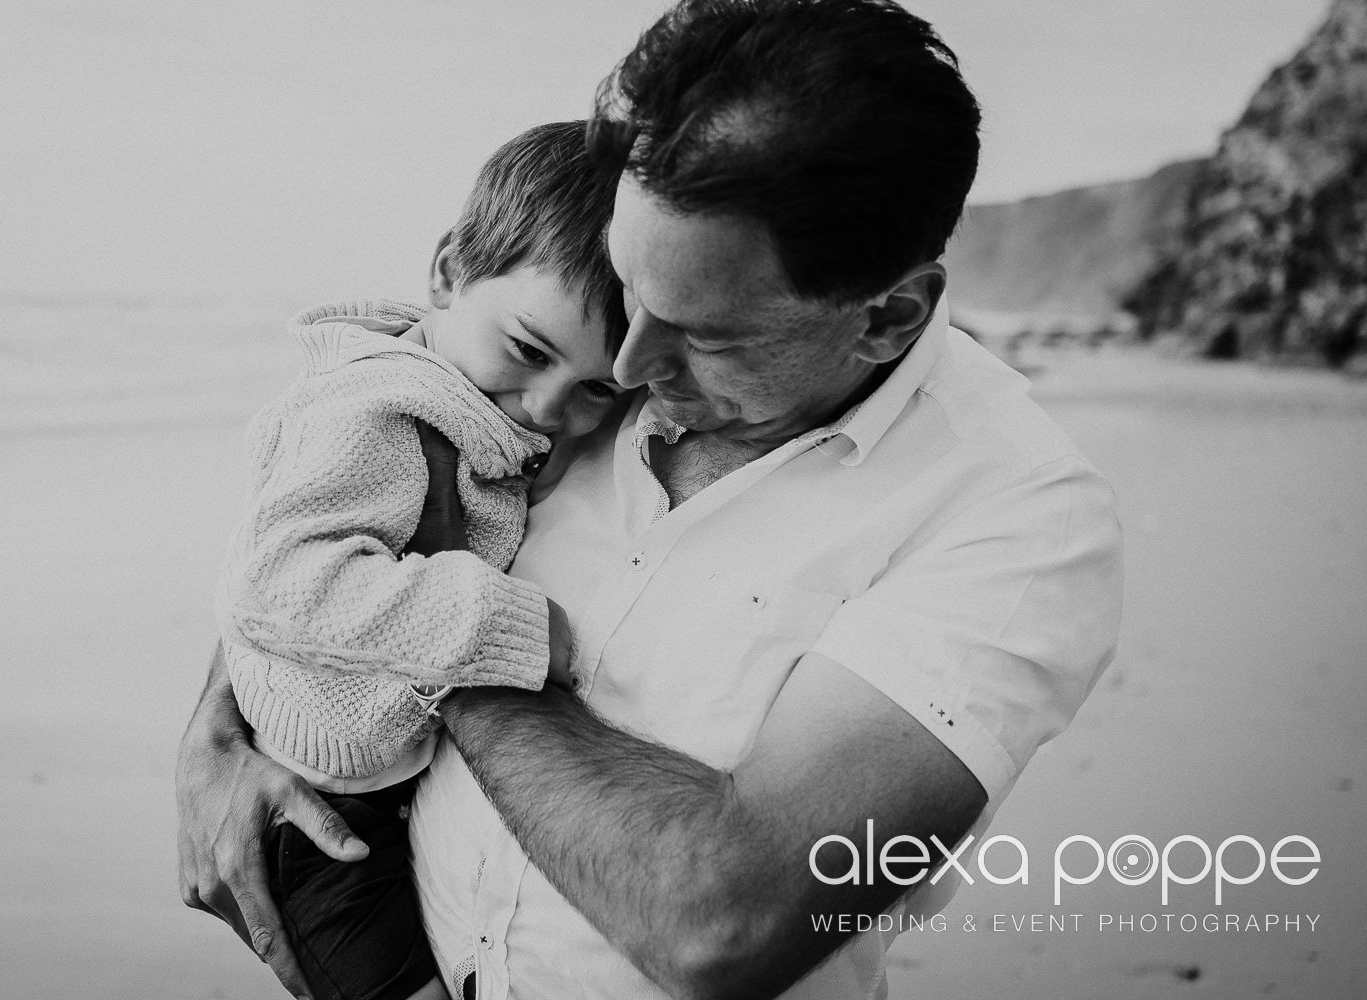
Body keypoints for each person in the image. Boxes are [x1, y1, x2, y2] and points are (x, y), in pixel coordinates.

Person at [176, 1, 1123, 998]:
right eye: (631, 287)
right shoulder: (554, 353)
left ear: (888, 316)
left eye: (701, 333)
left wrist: (464, 644)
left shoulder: (1016, 518)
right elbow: (333, 476)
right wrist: (219, 728)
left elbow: (722, 921)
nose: (626, 368)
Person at [211, 120, 627, 1000]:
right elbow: (280, 583)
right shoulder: (378, 411)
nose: (550, 406)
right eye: (528, 350)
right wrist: (513, 625)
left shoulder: (472, 401)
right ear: (447, 273)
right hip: (321, 822)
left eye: (598, 388)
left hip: (392, 789)